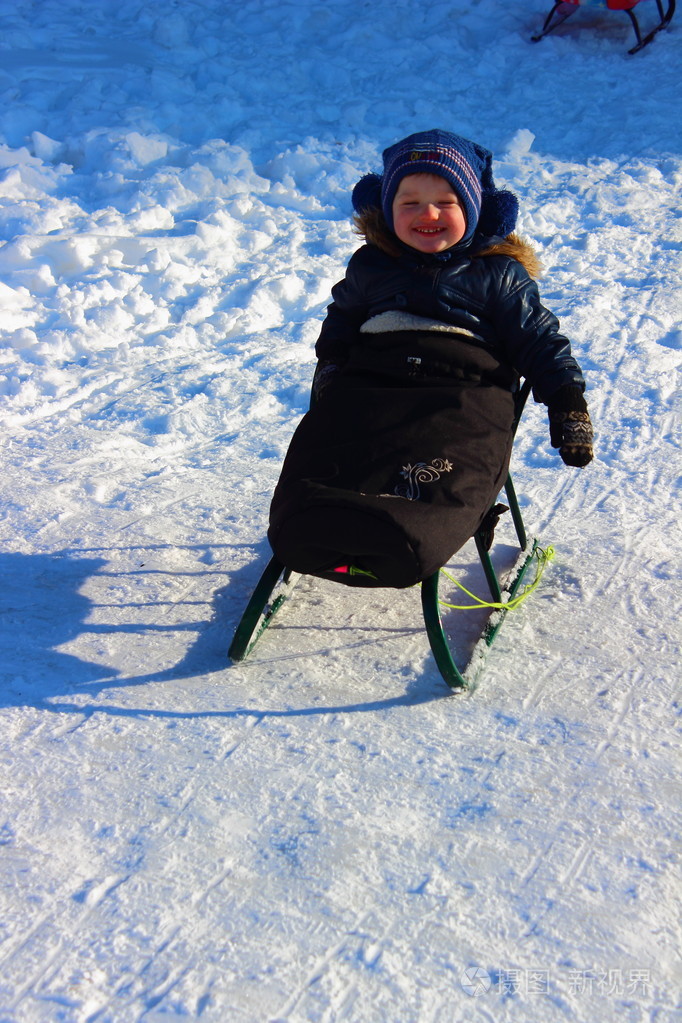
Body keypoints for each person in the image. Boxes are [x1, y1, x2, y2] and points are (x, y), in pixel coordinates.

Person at [267, 129, 594, 588]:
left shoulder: (499, 274)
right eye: (409, 203)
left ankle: (411, 531)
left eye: (446, 202)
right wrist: (332, 365)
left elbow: (540, 339)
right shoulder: (371, 265)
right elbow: (341, 319)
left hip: (463, 388)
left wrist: (567, 400)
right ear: (386, 208)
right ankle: (311, 517)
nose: (428, 214)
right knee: (331, 436)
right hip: (374, 377)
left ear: (475, 208)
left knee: (446, 449)